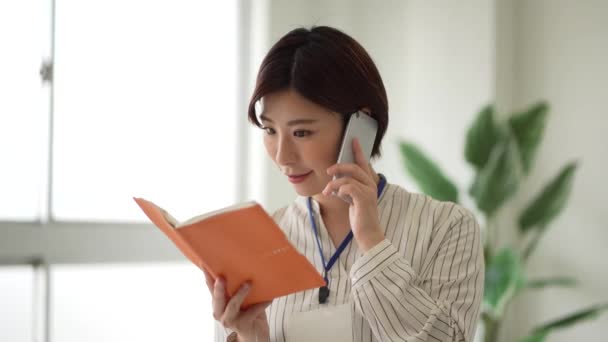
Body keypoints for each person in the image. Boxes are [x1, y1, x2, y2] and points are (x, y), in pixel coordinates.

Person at [206, 26, 484, 342]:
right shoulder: (258, 242)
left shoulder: (446, 227)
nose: (282, 155)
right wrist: (249, 336)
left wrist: (372, 243)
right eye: (270, 131)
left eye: (301, 133)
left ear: (360, 123)